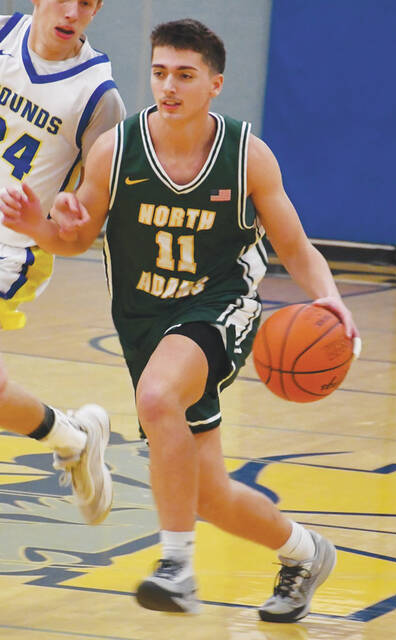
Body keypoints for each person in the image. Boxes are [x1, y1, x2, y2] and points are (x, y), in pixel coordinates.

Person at [0, 18, 361, 622]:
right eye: (160, 72)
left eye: (185, 75)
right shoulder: (116, 150)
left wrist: (331, 299)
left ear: (215, 83)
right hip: (144, 318)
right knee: (205, 494)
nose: (169, 86)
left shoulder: (246, 156)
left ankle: (176, 569)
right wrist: (39, 224)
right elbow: (75, 237)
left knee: (157, 396)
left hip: (220, 305)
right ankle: (306, 553)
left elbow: (296, 248)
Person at [0, 0, 126, 525]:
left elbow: (88, 217)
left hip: (13, 247)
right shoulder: (2, 35)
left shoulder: (99, 98)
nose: (72, 11)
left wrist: (74, 211)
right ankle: (72, 437)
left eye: (87, 2)